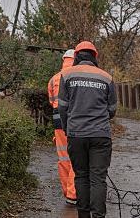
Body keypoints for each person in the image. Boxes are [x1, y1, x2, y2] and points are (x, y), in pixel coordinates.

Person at [59, 41, 117, 218]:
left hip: (76, 134)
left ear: (76, 56)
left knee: (81, 176)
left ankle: (83, 215)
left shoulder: (67, 75)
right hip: (100, 135)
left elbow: (62, 107)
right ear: (95, 57)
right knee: (98, 178)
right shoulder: (106, 77)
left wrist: (68, 128)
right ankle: (98, 216)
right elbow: (112, 109)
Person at [48, 49, 78, 206]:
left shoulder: (53, 79)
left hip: (58, 122)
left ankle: (67, 192)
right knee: (76, 158)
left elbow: (51, 100)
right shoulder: (76, 77)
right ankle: (73, 194)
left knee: (63, 157)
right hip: (73, 120)